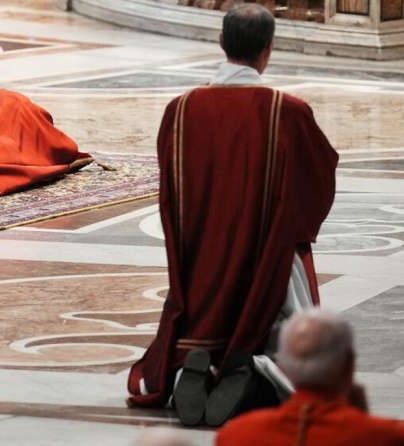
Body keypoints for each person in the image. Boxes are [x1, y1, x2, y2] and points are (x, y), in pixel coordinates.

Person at [126, 3, 338, 427]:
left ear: (221, 42)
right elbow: (318, 180)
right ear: (269, 49)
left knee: (204, 296)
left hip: (199, 261)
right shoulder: (288, 111)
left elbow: (171, 196)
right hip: (265, 264)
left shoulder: (181, 109)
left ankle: (197, 361)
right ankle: (250, 367)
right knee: (303, 345)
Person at [216, 309, 404, 445]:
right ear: (350, 365)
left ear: (282, 368)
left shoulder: (235, 435)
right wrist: (363, 419)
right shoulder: (391, 436)